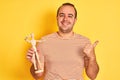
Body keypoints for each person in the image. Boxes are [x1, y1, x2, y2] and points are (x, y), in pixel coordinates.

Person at [26, 2, 99, 80]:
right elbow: (37, 76)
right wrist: (34, 64)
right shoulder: (43, 41)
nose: (65, 19)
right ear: (57, 18)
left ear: (75, 20)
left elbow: (93, 76)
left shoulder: (85, 42)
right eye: (62, 15)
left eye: (70, 16)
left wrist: (92, 57)